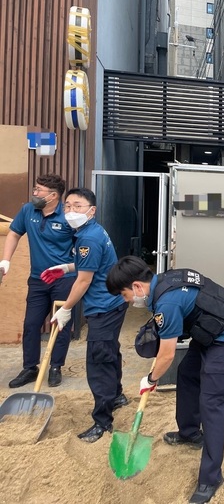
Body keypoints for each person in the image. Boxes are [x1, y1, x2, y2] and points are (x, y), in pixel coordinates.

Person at [107, 256, 224, 504]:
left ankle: (210, 478)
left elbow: (167, 354)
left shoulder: (167, 303)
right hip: (210, 329)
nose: (126, 301)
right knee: (187, 373)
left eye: (124, 294)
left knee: (212, 402)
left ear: (138, 287)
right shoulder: (163, 283)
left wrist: (151, 379)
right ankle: (190, 432)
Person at [43, 188, 129, 442]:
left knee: (98, 362)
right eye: (67, 205)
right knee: (110, 350)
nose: (71, 211)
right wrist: (65, 268)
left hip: (103, 306)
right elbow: (90, 265)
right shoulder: (92, 232)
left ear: (91, 210)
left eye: (77, 206)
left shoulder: (88, 239)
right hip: (113, 302)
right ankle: (117, 396)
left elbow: (83, 281)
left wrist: (66, 309)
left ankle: (102, 422)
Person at [1, 174, 76, 388]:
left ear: (53, 196)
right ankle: (30, 368)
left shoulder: (68, 216)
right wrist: (5, 261)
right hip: (37, 280)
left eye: (38, 190)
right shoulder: (28, 211)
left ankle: (55, 367)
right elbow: (14, 233)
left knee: (60, 324)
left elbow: (82, 245)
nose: (34, 194)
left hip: (64, 279)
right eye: (35, 189)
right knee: (31, 324)